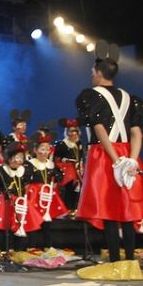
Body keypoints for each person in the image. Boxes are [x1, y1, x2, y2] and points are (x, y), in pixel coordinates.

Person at [75, 49, 143, 263]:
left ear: (98, 72)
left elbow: (99, 129)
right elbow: (136, 133)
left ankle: (115, 261)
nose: (91, 74)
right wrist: (131, 160)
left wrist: (117, 161)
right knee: (127, 210)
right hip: (127, 153)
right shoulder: (130, 98)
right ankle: (131, 261)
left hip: (105, 154)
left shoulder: (89, 95)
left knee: (109, 209)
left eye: (92, 71)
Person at [0, 142, 42, 251]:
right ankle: (7, 249)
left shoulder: (25, 170)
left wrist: (24, 197)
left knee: (23, 224)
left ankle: (20, 249)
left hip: (20, 201)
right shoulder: (1, 171)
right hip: (7, 202)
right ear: (9, 157)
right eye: (15, 157)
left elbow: (26, 184)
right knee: (7, 226)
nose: (18, 160)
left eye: (21, 157)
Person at [24, 131, 67, 249]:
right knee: (34, 219)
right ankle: (32, 246)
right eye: (42, 149)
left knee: (47, 222)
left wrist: (54, 184)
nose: (44, 152)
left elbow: (59, 177)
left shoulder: (51, 165)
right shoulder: (30, 164)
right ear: (36, 150)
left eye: (47, 149)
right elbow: (25, 180)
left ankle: (47, 246)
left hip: (47, 195)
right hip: (34, 195)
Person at [54, 118, 85, 212]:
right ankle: (67, 209)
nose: (73, 133)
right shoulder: (62, 144)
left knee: (78, 190)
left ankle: (75, 208)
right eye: (71, 131)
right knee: (68, 189)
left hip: (78, 170)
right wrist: (67, 161)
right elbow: (56, 159)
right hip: (67, 172)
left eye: (75, 131)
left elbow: (81, 156)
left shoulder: (79, 143)